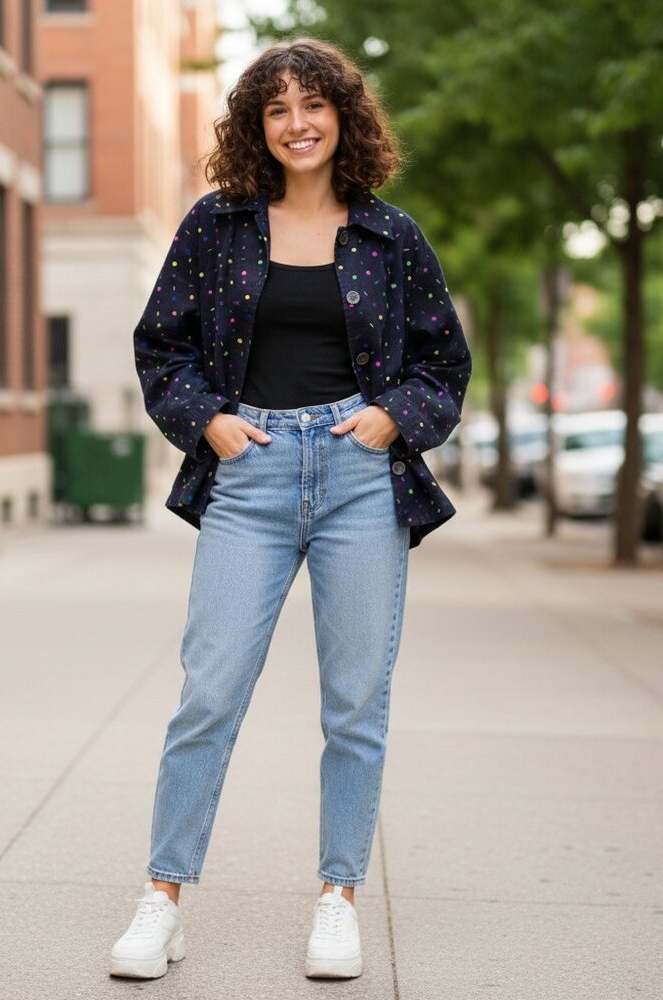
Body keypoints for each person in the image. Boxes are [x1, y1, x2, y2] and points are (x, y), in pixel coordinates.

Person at [110, 37, 472, 981]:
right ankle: (162, 899)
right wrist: (212, 425)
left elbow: (444, 363)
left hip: (361, 478)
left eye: (314, 105)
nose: (297, 123)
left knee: (355, 704)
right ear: (255, 126)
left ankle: (337, 899)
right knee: (210, 692)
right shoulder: (215, 227)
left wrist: (393, 419)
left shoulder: (393, 238)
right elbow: (162, 348)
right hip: (253, 475)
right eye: (277, 109)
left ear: (344, 117)